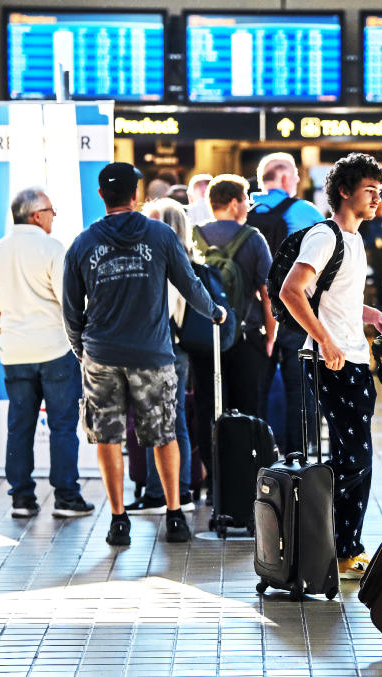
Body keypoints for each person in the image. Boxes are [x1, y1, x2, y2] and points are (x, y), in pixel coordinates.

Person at [62, 162, 226, 546]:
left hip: (101, 355)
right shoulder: (161, 235)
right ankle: (174, 516)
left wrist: (82, 353)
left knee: (108, 437)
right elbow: (190, 286)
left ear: (102, 195)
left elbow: (71, 311)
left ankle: (118, 520)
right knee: (164, 434)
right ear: (135, 195)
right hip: (153, 355)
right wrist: (216, 312)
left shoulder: (82, 244)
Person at [279, 153, 382, 580]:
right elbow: (291, 291)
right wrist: (326, 340)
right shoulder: (324, 235)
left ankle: (344, 549)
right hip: (332, 360)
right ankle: (324, 540)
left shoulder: (354, 240)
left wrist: (375, 317)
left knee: (356, 457)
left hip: (353, 358)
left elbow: (337, 298)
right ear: (345, 191)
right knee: (354, 458)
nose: (377, 200)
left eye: (380, 192)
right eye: (370, 191)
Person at [0, 187, 94, 519]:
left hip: (15, 352)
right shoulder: (53, 249)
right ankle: (67, 496)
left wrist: (12, 334)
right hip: (55, 349)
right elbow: (70, 303)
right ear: (36, 215)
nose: (54, 217)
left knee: (20, 424)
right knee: (62, 423)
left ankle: (22, 498)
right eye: (51, 211)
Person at [190, 174, 275, 497]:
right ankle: (245, 481)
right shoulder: (252, 238)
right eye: (246, 200)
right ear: (235, 202)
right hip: (244, 335)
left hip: (204, 338)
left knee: (207, 407)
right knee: (246, 406)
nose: (249, 206)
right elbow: (267, 291)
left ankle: (213, 479)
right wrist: (270, 334)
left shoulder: (195, 237)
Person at [246, 153, 325, 454]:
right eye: (294, 175)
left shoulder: (246, 210)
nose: (297, 181)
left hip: (255, 316)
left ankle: (259, 453)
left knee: (257, 390)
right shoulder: (304, 211)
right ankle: (299, 456)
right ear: (282, 178)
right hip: (296, 313)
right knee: (299, 389)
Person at [124, 198, 196, 514]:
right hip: (178, 349)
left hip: (160, 349)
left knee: (159, 423)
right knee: (173, 419)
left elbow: (157, 311)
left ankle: (160, 493)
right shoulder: (186, 259)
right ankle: (179, 491)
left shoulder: (163, 262)